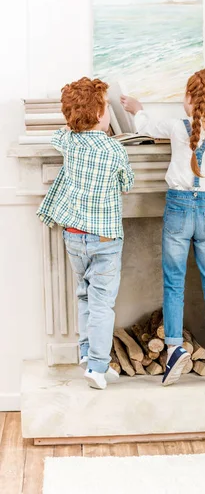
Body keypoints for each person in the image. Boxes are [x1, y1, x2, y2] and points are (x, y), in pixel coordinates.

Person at [121, 68, 205, 386]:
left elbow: (146, 125)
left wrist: (137, 109)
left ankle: (173, 349)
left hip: (178, 209)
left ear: (189, 99)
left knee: (174, 283)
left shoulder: (176, 127)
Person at [37, 77, 134, 390]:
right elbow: (127, 183)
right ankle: (96, 366)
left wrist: (72, 124)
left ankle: (87, 354)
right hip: (105, 239)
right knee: (103, 303)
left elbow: (58, 135)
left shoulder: (68, 142)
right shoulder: (114, 149)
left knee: (84, 294)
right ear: (102, 115)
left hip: (74, 237)